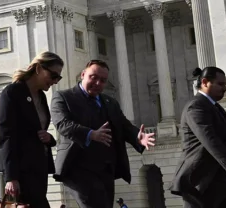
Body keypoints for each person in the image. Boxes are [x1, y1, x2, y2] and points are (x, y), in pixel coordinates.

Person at [50, 60, 156, 208]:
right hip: (77, 167)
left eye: (103, 80)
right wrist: (90, 134)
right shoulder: (63, 97)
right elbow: (63, 124)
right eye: (93, 77)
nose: (98, 83)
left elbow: (123, 124)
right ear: (83, 75)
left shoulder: (110, 102)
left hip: (105, 168)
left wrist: (138, 137)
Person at [171, 67, 226, 208]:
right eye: (220, 84)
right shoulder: (195, 107)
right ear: (205, 82)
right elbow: (210, 140)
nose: (225, 88)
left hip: (224, 181)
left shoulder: (215, 107)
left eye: (225, 84)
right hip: (200, 183)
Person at [0, 51, 65, 208]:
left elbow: (37, 130)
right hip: (20, 170)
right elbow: (7, 136)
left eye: (58, 78)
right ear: (39, 68)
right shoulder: (12, 92)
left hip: (38, 166)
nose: (55, 81)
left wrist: (50, 138)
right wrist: (11, 177)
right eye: (53, 75)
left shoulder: (41, 96)